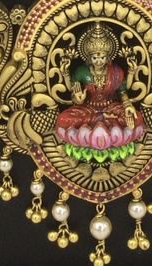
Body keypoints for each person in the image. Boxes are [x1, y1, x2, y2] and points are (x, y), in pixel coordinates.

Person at [55, 22, 145, 162]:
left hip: (111, 107)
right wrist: (78, 99)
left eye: (102, 57)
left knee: (136, 118)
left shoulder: (116, 72)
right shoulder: (81, 72)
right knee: (63, 119)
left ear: (108, 57)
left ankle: (96, 124)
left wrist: (127, 105)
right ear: (89, 58)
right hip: (87, 108)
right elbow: (74, 93)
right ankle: (104, 122)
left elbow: (122, 92)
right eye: (95, 58)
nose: (98, 62)